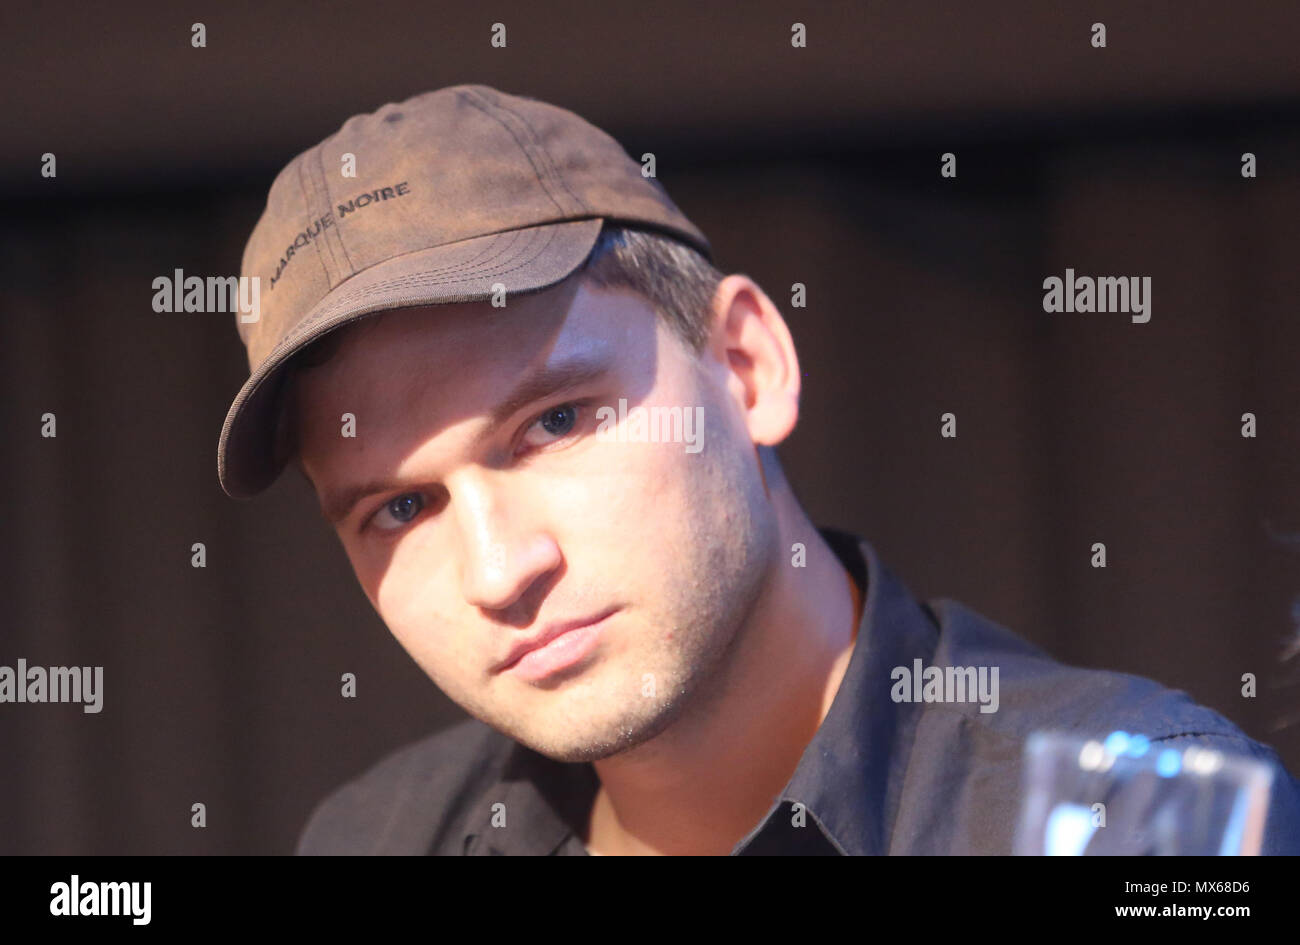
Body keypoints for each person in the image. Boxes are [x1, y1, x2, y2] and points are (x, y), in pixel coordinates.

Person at [218, 84, 1300, 855]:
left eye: (553, 424)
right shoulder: (379, 835)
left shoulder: (1145, 818)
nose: (501, 570)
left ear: (745, 366)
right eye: (401, 506)